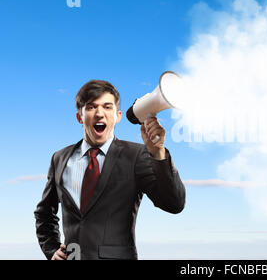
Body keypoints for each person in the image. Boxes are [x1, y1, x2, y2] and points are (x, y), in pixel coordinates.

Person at [34, 80, 186, 260]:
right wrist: (52, 250)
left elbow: (174, 204)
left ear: (118, 116)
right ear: (80, 117)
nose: (99, 114)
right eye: (91, 107)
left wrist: (158, 153)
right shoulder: (59, 158)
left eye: (107, 107)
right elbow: (44, 213)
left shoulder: (136, 155)